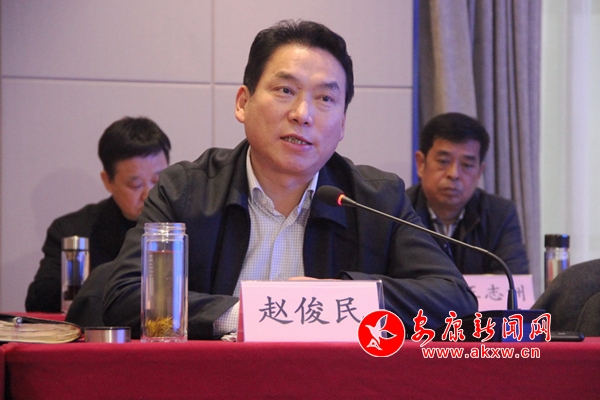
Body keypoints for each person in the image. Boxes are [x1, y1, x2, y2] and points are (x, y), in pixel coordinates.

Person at [103, 20, 477, 340]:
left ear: (342, 125)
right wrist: (249, 315)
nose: (303, 114)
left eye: (325, 99)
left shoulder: (376, 199)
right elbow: (124, 296)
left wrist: (339, 298)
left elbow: (454, 299)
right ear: (243, 102)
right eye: (285, 91)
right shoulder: (185, 190)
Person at [25, 116, 171, 312]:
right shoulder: (73, 231)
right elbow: (38, 303)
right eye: (135, 185)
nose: (148, 194)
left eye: (158, 181)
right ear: (108, 181)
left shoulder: (188, 225)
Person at [406, 112, 529, 275]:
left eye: (466, 165)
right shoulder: (397, 212)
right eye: (443, 161)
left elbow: (514, 279)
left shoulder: (500, 215)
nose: (454, 174)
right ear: (421, 164)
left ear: (479, 172)